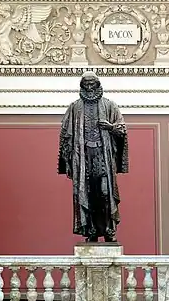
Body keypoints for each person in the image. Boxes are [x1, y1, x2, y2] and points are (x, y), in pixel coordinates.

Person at [58, 71, 129, 242]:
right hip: (83, 158)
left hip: (103, 157)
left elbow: (122, 130)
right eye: (86, 84)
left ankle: (108, 230)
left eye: (93, 84)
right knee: (87, 194)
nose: (90, 88)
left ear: (98, 85)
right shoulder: (75, 108)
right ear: (82, 86)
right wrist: (67, 161)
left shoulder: (110, 106)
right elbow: (65, 135)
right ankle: (90, 230)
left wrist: (110, 127)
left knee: (105, 193)